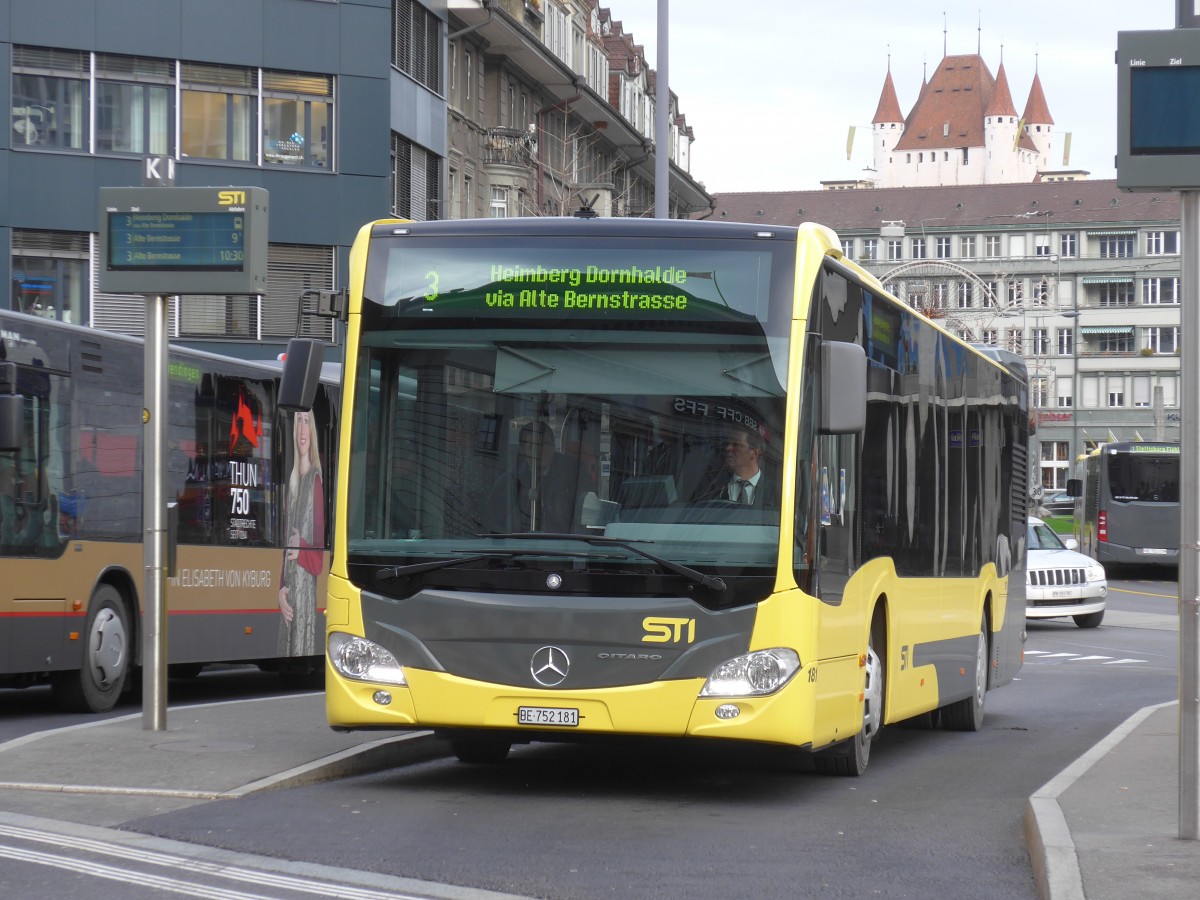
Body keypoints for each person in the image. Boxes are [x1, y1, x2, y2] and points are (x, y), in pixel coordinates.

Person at [278, 409, 325, 656]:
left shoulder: (315, 482)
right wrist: (280, 592)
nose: (302, 429)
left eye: (307, 422)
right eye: (298, 422)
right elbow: (285, 547)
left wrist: (301, 546)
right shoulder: (293, 481)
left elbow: (320, 556)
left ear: (312, 431)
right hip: (289, 598)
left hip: (305, 599)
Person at [692, 425, 778, 509]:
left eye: (736, 445)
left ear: (754, 453)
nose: (728, 448)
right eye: (727, 444)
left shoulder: (775, 491)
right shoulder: (711, 484)